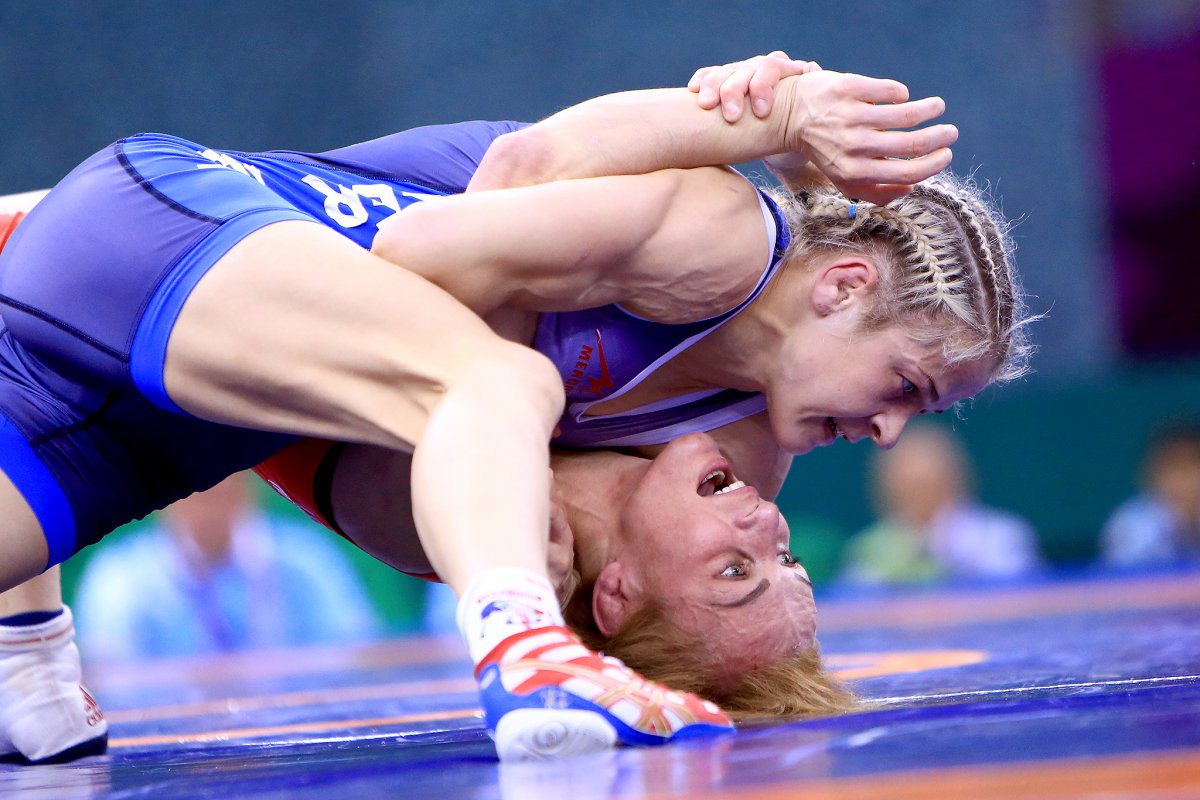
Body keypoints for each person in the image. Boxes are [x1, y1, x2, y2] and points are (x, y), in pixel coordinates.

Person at [0, 54, 1023, 763]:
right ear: (843, 287)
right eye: (905, 387)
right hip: (179, 240)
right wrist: (771, 112)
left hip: (155, 386)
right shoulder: (725, 238)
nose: (887, 433)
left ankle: (25, 659)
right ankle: (529, 660)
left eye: (737, 564)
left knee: (475, 397)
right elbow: (452, 223)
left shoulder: (487, 505)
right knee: (493, 381)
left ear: (618, 597)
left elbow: (320, 440)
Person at [73, 472, 381, 661]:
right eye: (195, 495)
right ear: (164, 502)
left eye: (222, 492)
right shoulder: (121, 577)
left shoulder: (307, 559)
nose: (210, 508)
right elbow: (112, 675)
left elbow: (356, 652)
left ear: (250, 491)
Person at [839, 423, 1043, 586]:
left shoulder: (1002, 535)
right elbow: (859, 605)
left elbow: (1014, 597)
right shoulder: (868, 549)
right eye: (906, 487)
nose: (918, 497)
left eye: (927, 485)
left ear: (956, 478)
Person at [1101, 422, 1200, 568]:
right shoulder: (1132, 524)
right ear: (1153, 474)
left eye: (1194, 466)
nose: (1188, 479)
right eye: (1176, 468)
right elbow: (1127, 584)